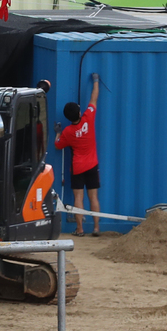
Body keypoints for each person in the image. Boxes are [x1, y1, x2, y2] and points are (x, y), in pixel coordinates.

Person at [54, 73, 101, 236]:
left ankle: (80, 229)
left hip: (78, 167)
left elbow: (58, 145)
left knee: (78, 198)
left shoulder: (68, 132)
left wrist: (57, 133)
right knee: (93, 197)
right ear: (80, 112)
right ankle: (96, 228)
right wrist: (96, 81)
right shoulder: (88, 117)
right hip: (92, 164)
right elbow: (94, 98)